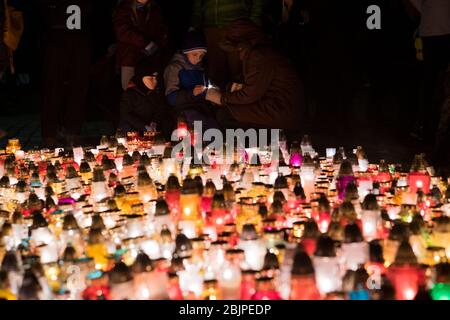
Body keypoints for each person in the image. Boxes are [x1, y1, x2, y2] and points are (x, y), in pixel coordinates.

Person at [206, 20, 304, 133]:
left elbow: (250, 95)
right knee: (228, 111)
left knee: (226, 114)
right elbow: (253, 85)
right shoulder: (261, 52)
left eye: (238, 48)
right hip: (279, 107)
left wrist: (221, 98)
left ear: (243, 44)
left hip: (281, 110)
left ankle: (249, 147)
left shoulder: (259, 56)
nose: (237, 54)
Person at [37, 0, 93, 148]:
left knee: (78, 87)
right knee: (52, 87)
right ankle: (50, 133)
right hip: (55, 41)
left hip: (79, 40)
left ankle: (73, 132)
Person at [190, 0, 264, 89]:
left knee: (238, 71)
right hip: (211, 28)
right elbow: (198, 4)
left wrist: (253, 23)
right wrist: (194, 25)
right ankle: (218, 100)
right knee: (215, 73)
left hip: (237, 26)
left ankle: (239, 100)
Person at [408, 0, 450, 143]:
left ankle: (433, 126)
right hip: (431, 32)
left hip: (441, 31)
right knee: (430, 82)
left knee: (439, 81)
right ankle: (426, 126)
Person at [164, 31, 219, 130]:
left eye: (201, 56)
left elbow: (209, 85)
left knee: (214, 123)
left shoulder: (201, 69)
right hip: (183, 109)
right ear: (186, 52)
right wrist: (192, 93)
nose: (198, 59)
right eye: (195, 54)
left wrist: (215, 91)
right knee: (197, 122)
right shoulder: (175, 68)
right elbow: (171, 98)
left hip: (202, 108)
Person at [113, 0, 169, 91]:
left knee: (151, 92)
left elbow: (161, 31)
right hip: (130, 60)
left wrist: (157, 46)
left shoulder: (155, 10)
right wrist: (146, 43)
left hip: (150, 60)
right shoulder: (124, 8)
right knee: (131, 92)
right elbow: (123, 32)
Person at [119, 62, 173, 140]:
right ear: (141, 78)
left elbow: (160, 109)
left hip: (151, 126)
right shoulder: (130, 94)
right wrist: (144, 126)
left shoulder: (155, 93)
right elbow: (126, 114)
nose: (155, 81)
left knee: (166, 122)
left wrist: (154, 122)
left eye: (155, 78)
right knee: (126, 127)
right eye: (150, 78)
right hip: (135, 126)